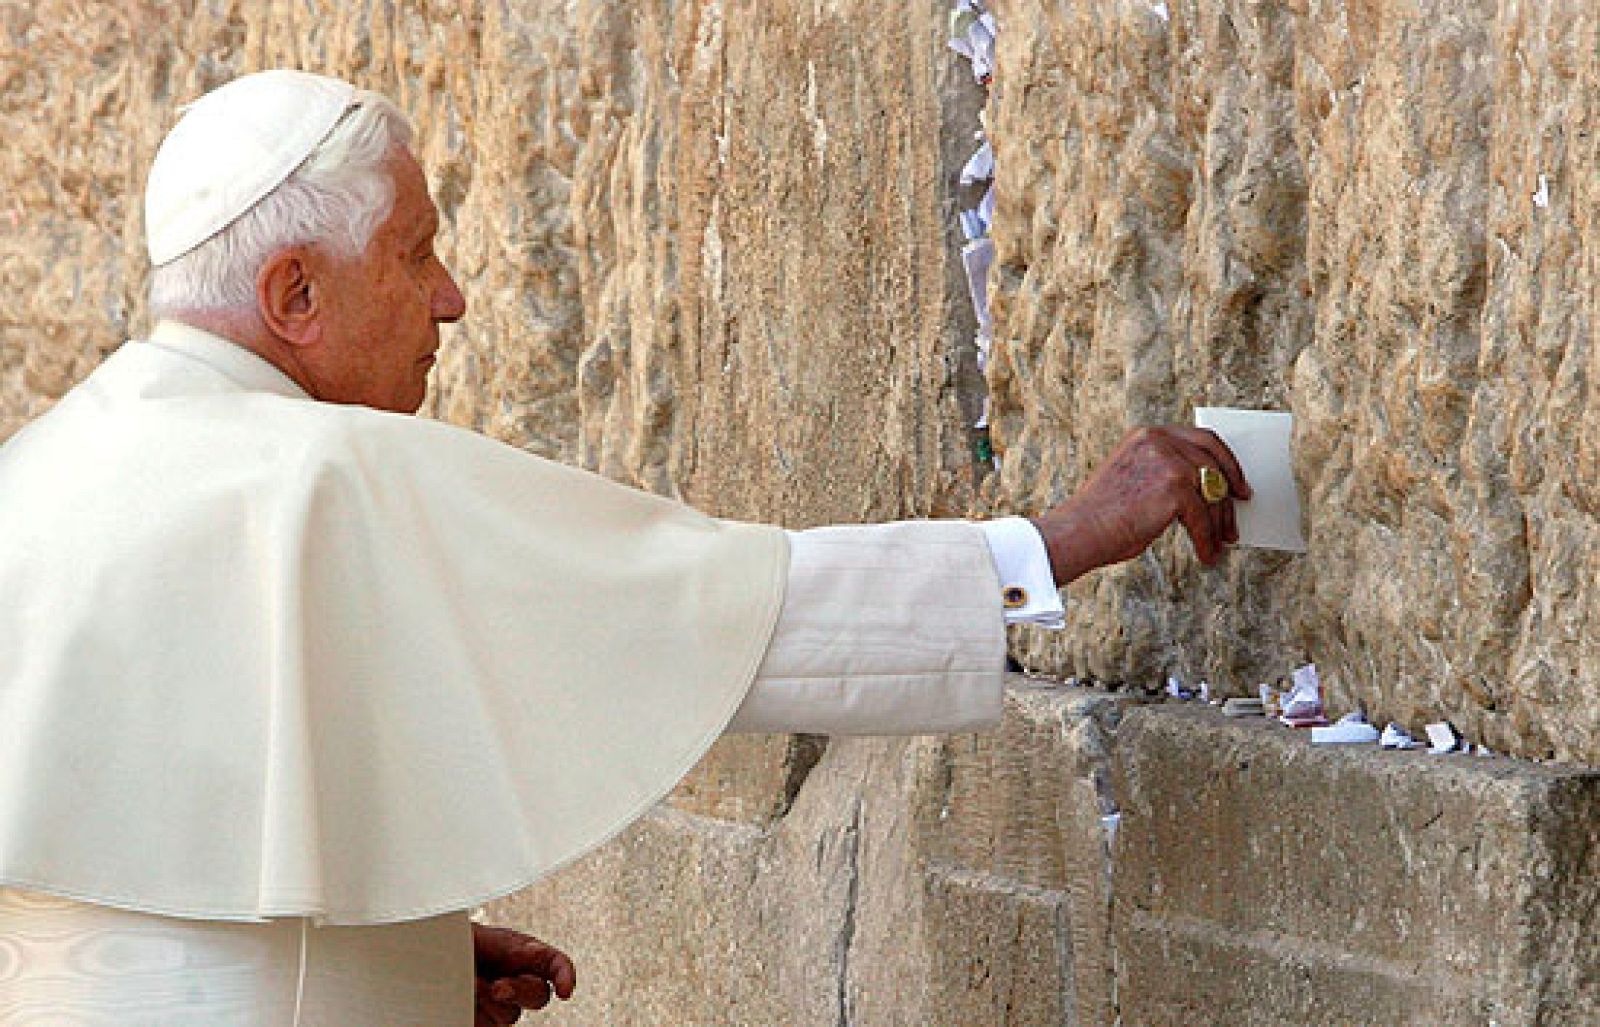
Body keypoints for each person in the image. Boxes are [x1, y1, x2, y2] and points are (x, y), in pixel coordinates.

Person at [0, 70, 1248, 1025]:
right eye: (415, 253)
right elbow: (721, 617)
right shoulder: (330, 475)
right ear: (293, 295)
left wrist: (392, 957)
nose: (451, 297)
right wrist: (1060, 540)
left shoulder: (37, 469)